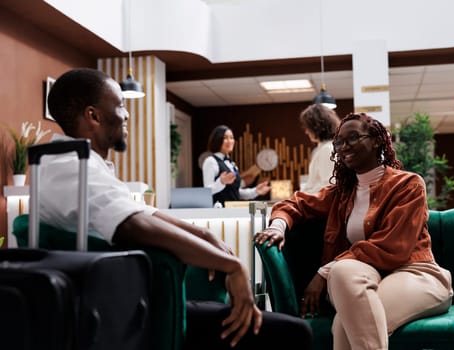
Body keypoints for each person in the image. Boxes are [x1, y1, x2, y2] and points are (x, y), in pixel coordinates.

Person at [43, 68, 312, 350]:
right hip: (121, 313)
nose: (127, 114)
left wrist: (208, 238)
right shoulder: (71, 168)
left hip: (134, 300)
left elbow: (143, 212)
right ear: (93, 116)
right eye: (120, 105)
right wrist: (232, 266)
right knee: (294, 333)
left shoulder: (84, 165)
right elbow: (132, 224)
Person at [255, 112, 453, 350]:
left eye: (353, 138)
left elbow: (393, 247)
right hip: (366, 275)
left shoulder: (408, 184)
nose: (344, 146)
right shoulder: (342, 193)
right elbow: (294, 204)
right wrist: (278, 225)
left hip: (415, 273)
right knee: (342, 271)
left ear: (377, 140)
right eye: (339, 142)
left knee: (342, 323)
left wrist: (323, 273)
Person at [202, 125, 271, 206]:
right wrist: (221, 182)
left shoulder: (232, 164)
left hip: (233, 210)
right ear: (217, 140)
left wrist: (255, 191)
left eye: (231, 138)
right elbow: (207, 192)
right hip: (219, 212)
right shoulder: (210, 161)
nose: (230, 141)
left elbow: (236, 192)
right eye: (225, 138)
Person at [298, 104, 340, 194]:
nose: (306, 132)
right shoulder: (325, 148)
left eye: (307, 127)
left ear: (317, 127)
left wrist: (303, 195)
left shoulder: (327, 149)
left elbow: (329, 186)